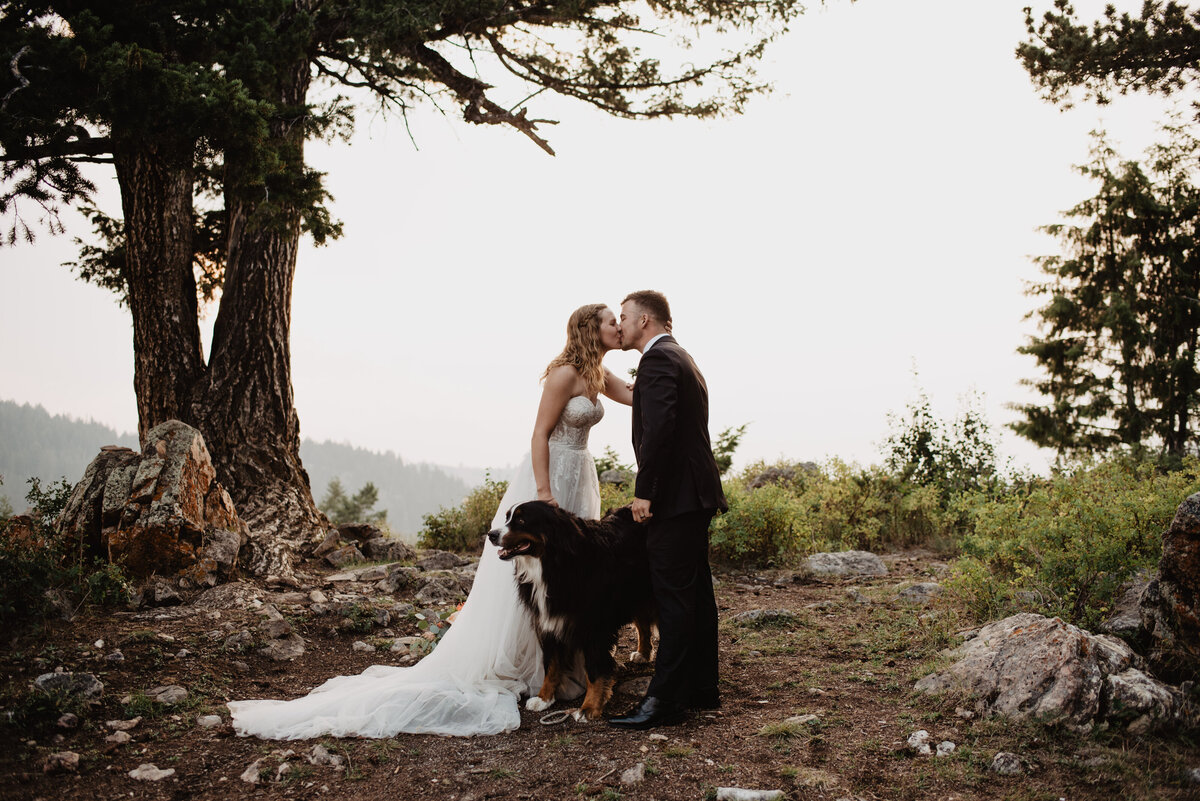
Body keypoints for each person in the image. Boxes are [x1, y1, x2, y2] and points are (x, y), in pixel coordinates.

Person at [227, 304, 631, 738]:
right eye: (612, 321)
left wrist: (657, 355)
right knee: (534, 573)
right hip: (551, 476)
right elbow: (539, 433)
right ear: (591, 329)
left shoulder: (600, 375)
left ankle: (576, 661)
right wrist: (544, 492)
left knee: (575, 575)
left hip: (582, 473)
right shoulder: (565, 374)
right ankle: (536, 670)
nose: (618, 327)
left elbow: (633, 394)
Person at [608, 290, 727, 730]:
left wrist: (645, 492)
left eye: (623, 317)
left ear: (644, 320)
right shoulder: (682, 357)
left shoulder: (657, 361)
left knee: (673, 598)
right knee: (696, 595)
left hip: (675, 497)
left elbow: (659, 432)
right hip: (694, 494)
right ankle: (701, 689)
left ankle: (665, 701)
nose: (619, 325)